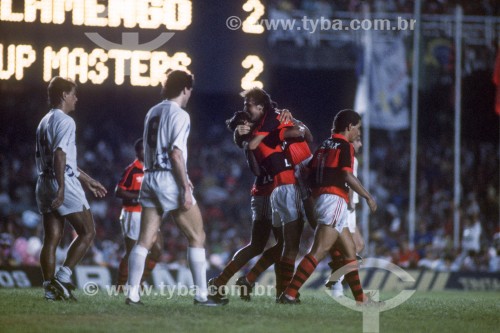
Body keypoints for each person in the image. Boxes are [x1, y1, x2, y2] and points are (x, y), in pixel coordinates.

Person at [125, 70, 226, 306]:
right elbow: (176, 153)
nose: (190, 93)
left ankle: (132, 294)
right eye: (190, 89)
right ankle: (201, 295)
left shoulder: (153, 111)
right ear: (185, 89)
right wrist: (186, 187)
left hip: (149, 177)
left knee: (145, 240)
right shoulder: (180, 114)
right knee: (197, 235)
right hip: (168, 179)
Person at [279, 109, 381, 305]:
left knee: (350, 250)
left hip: (324, 200)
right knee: (319, 250)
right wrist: (368, 196)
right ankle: (290, 293)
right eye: (357, 128)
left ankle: (361, 299)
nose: (358, 133)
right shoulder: (345, 146)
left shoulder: (324, 145)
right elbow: (346, 175)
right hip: (334, 199)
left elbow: (309, 173)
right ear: (350, 127)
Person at [35, 76, 107, 301]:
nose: (76, 98)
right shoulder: (66, 121)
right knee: (88, 231)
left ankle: (49, 289)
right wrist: (62, 189)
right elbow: (60, 156)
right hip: (60, 182)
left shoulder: (44, 121)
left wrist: (87, 179)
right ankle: (63, 277)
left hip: (43, 182)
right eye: (73, 93)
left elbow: (64, 160)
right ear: (64, 95)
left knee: (52, 238)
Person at [237, 88, 308, 299]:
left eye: (248, 104)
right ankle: (286, 293)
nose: (246, 109)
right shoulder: (270, 132)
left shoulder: (271, 130)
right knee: (291, 245)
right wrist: (289, 123)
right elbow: (301, 133)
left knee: (282, 245)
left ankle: (262, 285)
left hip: (278, 190)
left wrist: (291, 119)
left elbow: (304, 132)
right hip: (287, 186)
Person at [115, 138, 162, 290]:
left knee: (157, 249)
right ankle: (120, 286)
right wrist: (138, 196)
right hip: (132, 213)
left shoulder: (154, 169)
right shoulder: (132, 169)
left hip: (149, 214)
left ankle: (139, 281)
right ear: (137, 152)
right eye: (143, 150)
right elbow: (119, 191)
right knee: (131, 252)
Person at [327, 134, 366, 297]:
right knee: (353, 247)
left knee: (356, 246)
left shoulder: (345, 155)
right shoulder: (351, 158)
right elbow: (348, 178)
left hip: (348, 207)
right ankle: (336, 282)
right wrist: (350, 200)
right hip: (347, 206)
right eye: (358, 140)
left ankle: (336, 280)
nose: (361, 144)